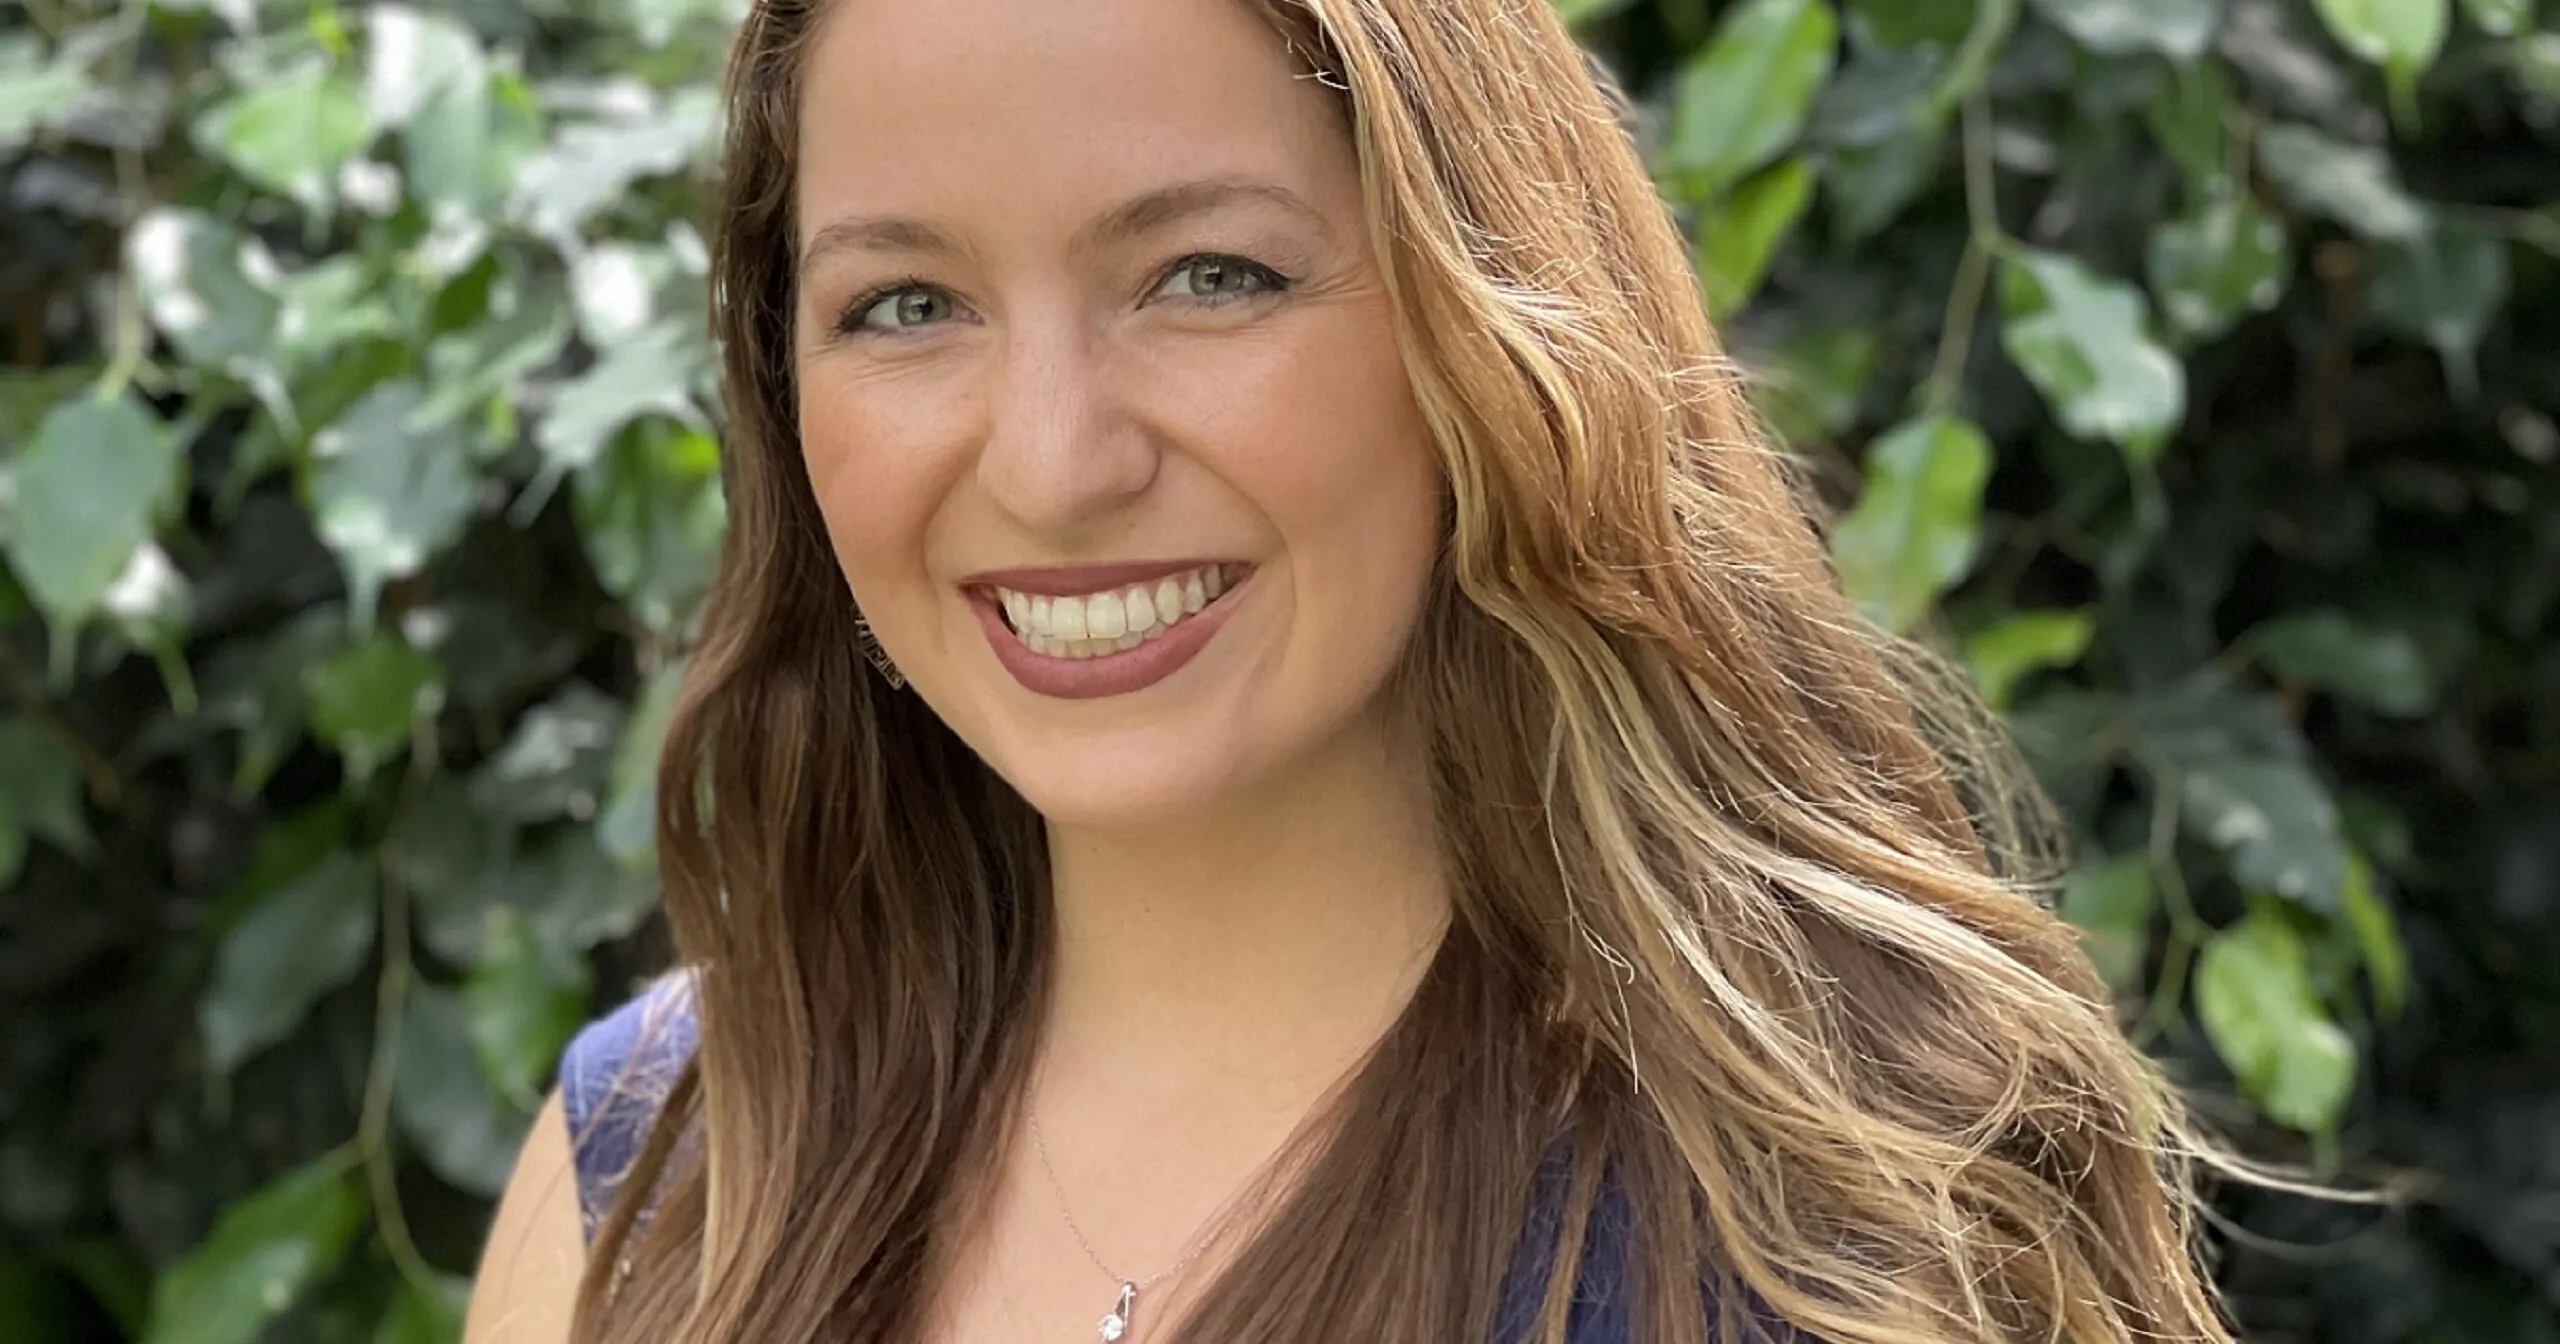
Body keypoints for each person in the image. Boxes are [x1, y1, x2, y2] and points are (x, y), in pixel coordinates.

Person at [461, 0, 2252, 1340]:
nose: (1049, 464)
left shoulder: (1848, 1228)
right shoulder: (655, 1172)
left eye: (1208, 275)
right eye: (907, 307)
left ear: (1485, 332)